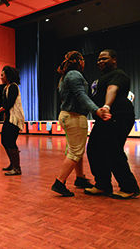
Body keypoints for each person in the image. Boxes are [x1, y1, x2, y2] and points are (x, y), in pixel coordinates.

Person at [50, 51, 111, 197]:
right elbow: (81, 95)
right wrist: (96, 110)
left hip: (68, 116)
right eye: (82, 60)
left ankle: (80, 178)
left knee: (76, 149)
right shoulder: (75, 74)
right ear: (78, 61)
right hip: (74, 117)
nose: (84, 63)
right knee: (75, 152)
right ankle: (59, 182)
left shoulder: (66, 75)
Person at [85, 49, 140, 199]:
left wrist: (107, 106)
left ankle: (129, 187)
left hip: (118, 116)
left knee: (113, 150)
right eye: (98, 60)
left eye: (104, 58)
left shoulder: (119, 75)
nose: (100, 62)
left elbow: (112, 89)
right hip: (104, 118)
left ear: (114, 59)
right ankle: (102, 185)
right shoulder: (101, 78)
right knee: (94, 149)